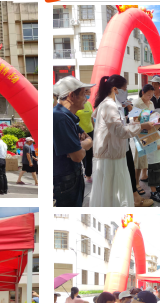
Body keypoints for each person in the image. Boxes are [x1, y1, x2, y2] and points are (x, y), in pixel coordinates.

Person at [90, 74, 159, 207]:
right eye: (125, 89)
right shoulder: (109, 105)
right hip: (111, 157)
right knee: (113, 193)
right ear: (115, 89)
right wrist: (141, 126)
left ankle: (133, 201)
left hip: (115, 153)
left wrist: (132, 120)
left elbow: (118, 126)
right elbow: (120, 131)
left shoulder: (112, 104)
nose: (126, 92)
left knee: (116, 191)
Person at [53, 76, 94, 207]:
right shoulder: (60, 118)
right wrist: (80, 147)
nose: (86, 98)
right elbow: (78, 156)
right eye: (83, 94)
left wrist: (79, 145)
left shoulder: (68, 117)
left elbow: (89, 140)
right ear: (71, 96)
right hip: (65, 182)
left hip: (72, 178)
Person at [76, 89, 95, 183]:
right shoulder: (77, 105)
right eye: (86, 93)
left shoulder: (88, 104)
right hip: (80, 133)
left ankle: (88, 174)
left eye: (89, 93)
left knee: (89, 154)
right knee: (83, 154)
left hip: (90, 131)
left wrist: (94, 128)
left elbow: (91, 117)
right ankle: (84, 171)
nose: (88, 94)